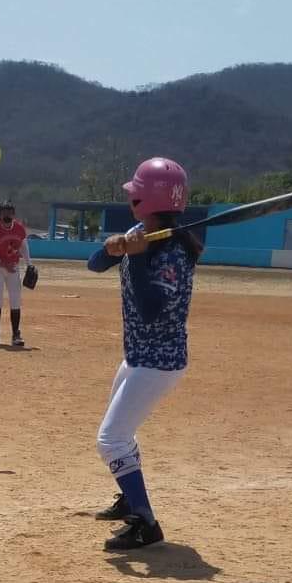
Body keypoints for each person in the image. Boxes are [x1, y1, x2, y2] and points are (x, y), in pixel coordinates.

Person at [87, 156, 200, 552]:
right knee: (120, 433)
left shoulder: (174, 254)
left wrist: (134, 257)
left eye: (136, 195)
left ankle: (146, 524)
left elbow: (152, 309)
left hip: (160, 361)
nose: (131, 201)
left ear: (149, 201)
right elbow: (94, 264)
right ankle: (130, 498)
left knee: (111, 439)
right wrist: (113, 248)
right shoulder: (140, 232)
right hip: (138, 355)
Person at [0, 199, 32, 347]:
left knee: (15, 300)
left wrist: (29, 263)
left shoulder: (19, 229)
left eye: (9, 213)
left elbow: (23, 246)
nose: (6, 217)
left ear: (13, 214)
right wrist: (3, 264)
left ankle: (16, 334)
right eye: (4, 214)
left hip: (13, 266)